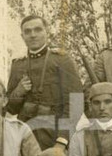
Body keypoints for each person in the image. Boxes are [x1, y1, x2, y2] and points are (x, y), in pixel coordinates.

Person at [5, 14, 84, 148]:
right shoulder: (18, 64)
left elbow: (75, 103)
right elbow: (11, 109)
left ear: (46, 32)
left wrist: (62, 140)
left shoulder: (62, 60)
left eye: (38, 29)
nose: (33, 35)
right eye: (27, 31)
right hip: (25, 138)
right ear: (22, 36)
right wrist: (19, 91)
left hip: (54, 136)